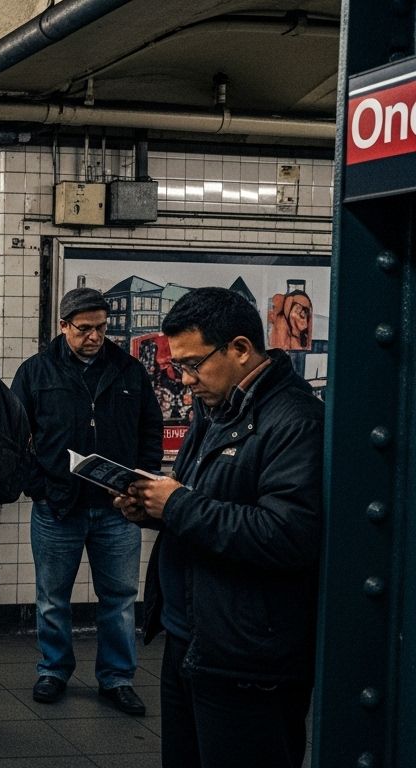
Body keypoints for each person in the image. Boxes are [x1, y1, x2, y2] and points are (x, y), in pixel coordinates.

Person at [115, 287, 323, 768]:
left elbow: (287, 534)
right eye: (179, 367)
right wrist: (152, 509)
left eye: (193, 365)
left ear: (241, 349)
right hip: (192, 637)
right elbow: (204, 502)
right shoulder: (216, 411)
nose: (186, 380)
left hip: (247, 655)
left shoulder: (295, 421)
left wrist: (177, 505)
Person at [10, 287, 161, 715]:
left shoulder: (129, 370)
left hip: (117, 508)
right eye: (84, 329)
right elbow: (14, 435)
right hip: (57, 507)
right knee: (52, 597)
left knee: (120, 598)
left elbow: (150, 429)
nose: (94, 336)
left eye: (101, 327)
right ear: (63, 326)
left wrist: (140, 480)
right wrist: (38, 486)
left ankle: (117, 678)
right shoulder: (36, 371)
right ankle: (53, 670)